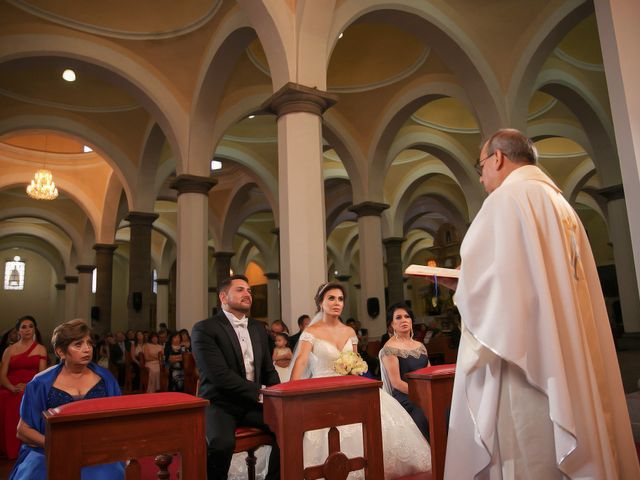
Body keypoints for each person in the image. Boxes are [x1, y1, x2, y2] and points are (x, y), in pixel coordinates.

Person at [442, 129, 640, 479]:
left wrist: (459, 283)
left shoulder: (506, 200)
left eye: (481, 164)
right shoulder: (560, 204)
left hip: (528, 361)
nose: (481, 174)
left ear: (498, 158)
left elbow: (495, 287)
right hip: (571, 351)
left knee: (530, 452)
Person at [290, 282, 431, 479]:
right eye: (331, 298)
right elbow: (301, 361)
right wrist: (293, 393)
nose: (336, 302)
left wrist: (355, 373)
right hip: (322, 390)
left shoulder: (349, 332)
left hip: (350, 388)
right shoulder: (311, 332)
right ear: (320, 302)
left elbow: (355, 363)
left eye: (340, 299)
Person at [9, 319, 123, 479]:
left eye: (89, 343)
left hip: (95, 450)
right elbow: (23, 431)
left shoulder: (106, 379)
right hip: (49, 450)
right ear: (60, 352)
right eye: (78, 345)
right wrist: (57, 444)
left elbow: (119, 421)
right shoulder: (40, 383)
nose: (87, 349)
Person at [191, 274, 280, 480]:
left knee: (289, 426)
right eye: (240, 289)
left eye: (249, 290)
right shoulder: (205, 328)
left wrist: (279, 396)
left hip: (252, 404)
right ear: (223, 297)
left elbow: (268, 370)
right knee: (221, 445)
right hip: (220, 402)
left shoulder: (258, 328)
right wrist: (261, 394)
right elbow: (219, 376)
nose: (247, 293)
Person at [379, 303, 430, 439]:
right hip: (406, 398)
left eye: (407, 317)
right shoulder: (390, 348)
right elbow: (396, 382)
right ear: (392, 324)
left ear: (412, 321)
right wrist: (422, 394)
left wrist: (431, 392)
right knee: (425, 415)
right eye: (398, 318)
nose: (404, 320)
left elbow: (429, 373)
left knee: (447, 411)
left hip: (426, 394)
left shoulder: (420, 346)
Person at [0, 316, 47, 460]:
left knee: (23, 398)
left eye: (30, 326)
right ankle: (6, 448)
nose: (27, 330)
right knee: (4, 397)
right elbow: (2, 375)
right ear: (18, 331)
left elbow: (41, 374)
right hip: (10, 387)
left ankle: (26, 445)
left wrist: (28, 386)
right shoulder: (9, 350)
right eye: (24, 327)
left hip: (31, 386)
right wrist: (11, 387)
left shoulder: (41, 349)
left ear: (35, 329)